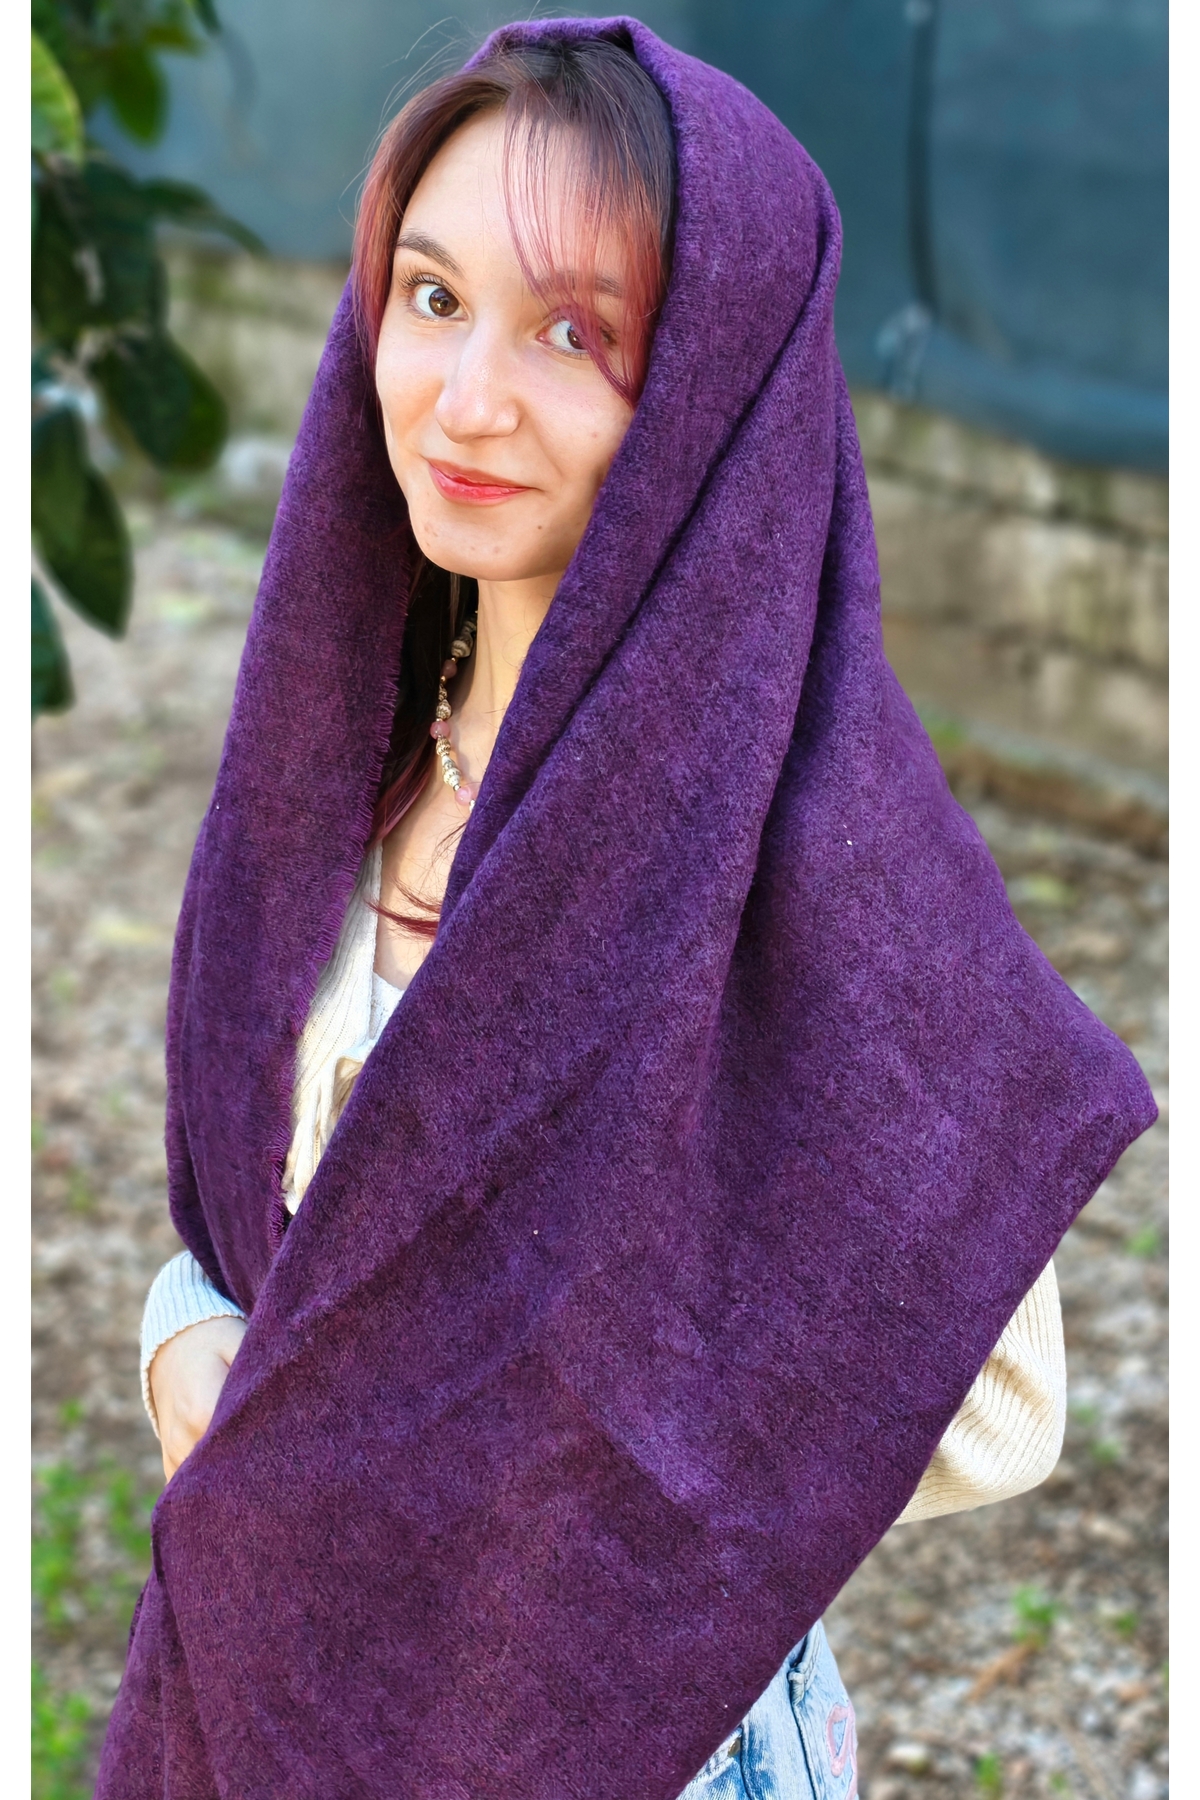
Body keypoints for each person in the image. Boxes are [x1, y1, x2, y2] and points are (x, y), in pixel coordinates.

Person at [96, 21, 1154, 1800]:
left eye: (574, 333)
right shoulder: (335, 771)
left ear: (712, 393)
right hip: (283, 1687)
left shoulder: (809, 847)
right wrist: (187, 1343)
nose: (466, 398)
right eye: (433, 297)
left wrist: (541, 1509)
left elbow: (998, 1401)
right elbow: (270, 1246)